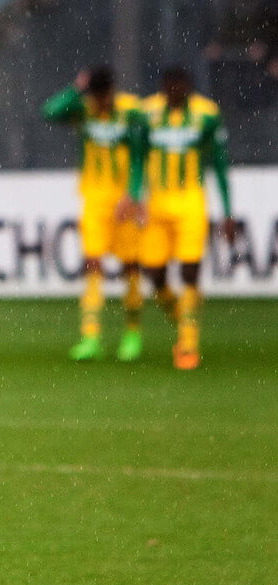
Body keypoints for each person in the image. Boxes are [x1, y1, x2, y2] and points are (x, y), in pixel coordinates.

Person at [126, 66, 236, 370]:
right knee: (154, 274)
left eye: (180, 86)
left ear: (188, 87)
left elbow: (221, 165)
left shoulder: (207, 114)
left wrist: (227, 211)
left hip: (190, 203)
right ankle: (182, 315)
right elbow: (137, 159)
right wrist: (134, 195)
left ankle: (187, 344)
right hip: (157, 205)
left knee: (190, 272)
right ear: (163, 88)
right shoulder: (146, 114)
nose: (174, 91)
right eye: (169, 86)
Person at [43, 67, 145, 362]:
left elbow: (139, 156)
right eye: (95, 95)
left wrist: (134, 194)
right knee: (93, 263)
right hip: (94, 200)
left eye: (103, 95)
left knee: (131, 267)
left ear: (112, 90)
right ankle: (91, 335)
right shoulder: (84, 109)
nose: (100, 102)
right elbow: (49, 111)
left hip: (124, 202)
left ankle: (132, 333)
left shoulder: (131, 113)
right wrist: (77, 88)